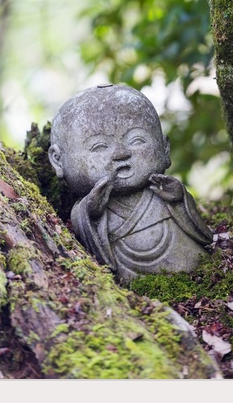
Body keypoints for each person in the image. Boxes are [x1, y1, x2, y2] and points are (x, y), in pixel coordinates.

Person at [48, 84, 213, 282]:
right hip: (131, 281)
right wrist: (91, 213)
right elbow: (96, 252)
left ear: (165, 148)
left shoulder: (163, 194)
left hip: (194, 271)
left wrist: (179, 200)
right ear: (58, 161)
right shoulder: (89, 210)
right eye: (99, 146)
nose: (121, 153)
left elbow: (205, 237)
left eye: (136, 140)